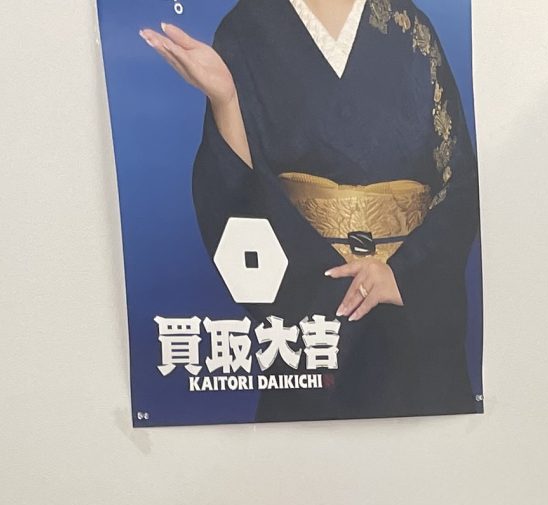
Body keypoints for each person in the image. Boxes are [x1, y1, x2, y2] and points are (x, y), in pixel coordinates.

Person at [143, 1, 480, 420]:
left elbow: (459, 180)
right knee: (309, 450)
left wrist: (403, 275)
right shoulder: (248, 27)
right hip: (309, 307)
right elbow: (235, 194)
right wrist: (226, 100)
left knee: (428, 444)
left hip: (410, 316)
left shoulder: (409, 27)